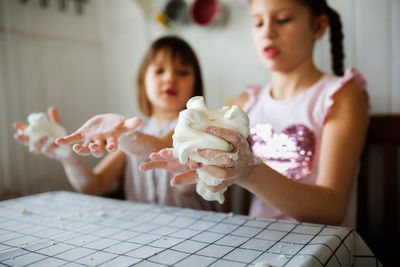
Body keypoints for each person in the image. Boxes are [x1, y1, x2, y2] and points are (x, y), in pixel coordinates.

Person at [140, 0, 369, 228]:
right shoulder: (248, 102)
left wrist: (248, 171)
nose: (268, 32)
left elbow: (332, 210)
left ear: (318, 27)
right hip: (259, 238)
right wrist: (193, 166)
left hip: (322, 244)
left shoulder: (340, 95)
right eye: (258, 23)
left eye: (283, 19)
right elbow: (194, 181)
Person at [14, 35, 218, 211]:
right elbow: (94, 185)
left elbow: (162, 145)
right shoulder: (137, 130)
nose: (170, 78)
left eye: (182, 72)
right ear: (142, 80)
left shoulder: (199, 127)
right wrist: (67, 156)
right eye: (159, 71)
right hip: (146, 235)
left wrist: (126, 134)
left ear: (196, 83)